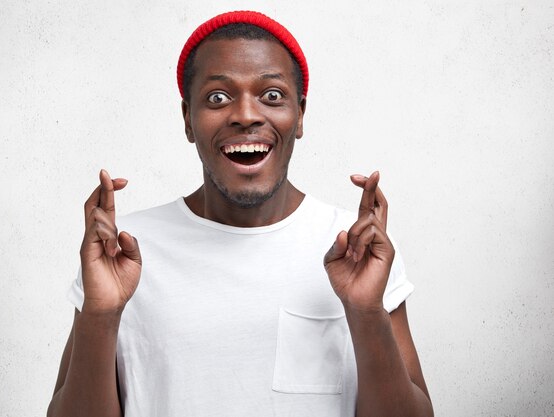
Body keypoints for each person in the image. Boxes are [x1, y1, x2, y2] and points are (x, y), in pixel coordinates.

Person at [47, 10, 433, 417]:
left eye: (271, 96)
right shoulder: (122, 253)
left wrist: (365, 311)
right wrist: (101, 313)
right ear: (187, 120)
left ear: (299, 115)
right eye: (217, 97)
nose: (246, 115)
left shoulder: (354, 246)